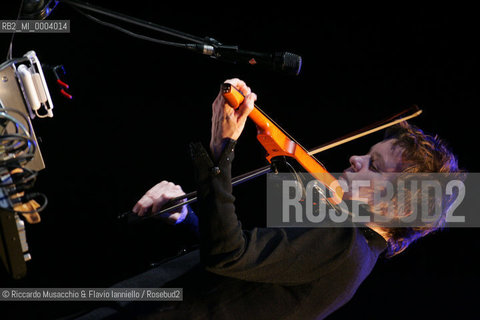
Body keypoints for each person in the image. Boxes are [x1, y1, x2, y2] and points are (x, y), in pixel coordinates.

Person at [74, 78, 462, 319]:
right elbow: (242, 267)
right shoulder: (355, 256)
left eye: (374, 166)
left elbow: (230, 254)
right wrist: (185, 219)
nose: (355, 158)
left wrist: (220, 147)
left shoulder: (345, 243)